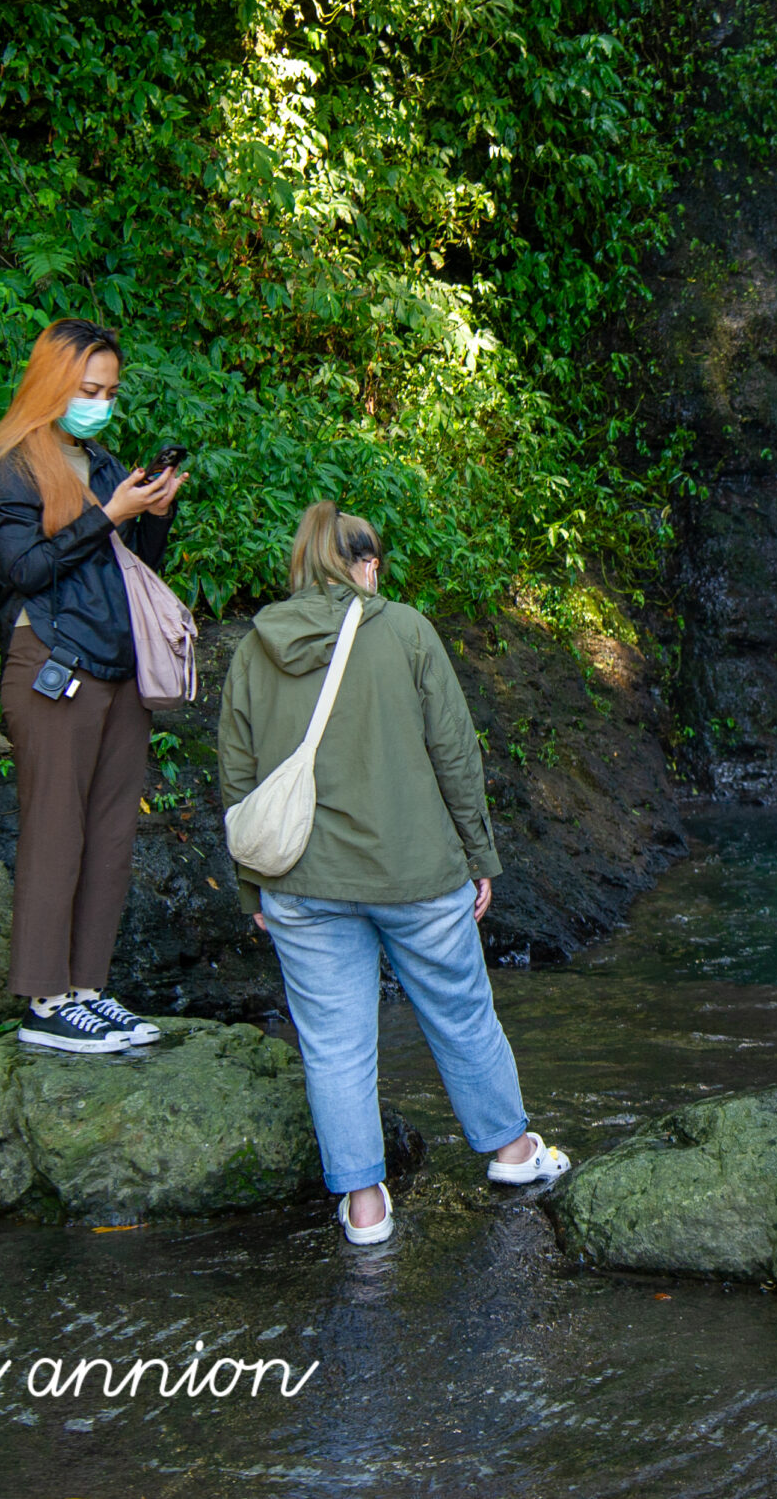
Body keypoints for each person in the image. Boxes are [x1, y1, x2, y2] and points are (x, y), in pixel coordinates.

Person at [219, 501, 569, 1246]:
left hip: (301, 884)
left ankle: (366, 1207)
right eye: (375, 561)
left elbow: (238, 778)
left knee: (335, 1044)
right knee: (462, 1014)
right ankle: (512, 1152)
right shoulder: (406, 629)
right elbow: (454, 752)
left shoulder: (255, 647)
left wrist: (254, 886)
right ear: (363, 563)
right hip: (415, 873)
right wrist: (480, 855)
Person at [0, 318, 187, 1054]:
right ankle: (43, 999)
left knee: (109, 834)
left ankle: (88, 990)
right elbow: (22, 570)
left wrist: (152, 512)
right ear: (52, 383)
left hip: (118, 665)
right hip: (51, 663)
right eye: (89, 389)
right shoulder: (5, 465)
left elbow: (134, 564)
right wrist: (106, 515)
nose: (100, 402)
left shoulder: (99, 460)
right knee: (56, 830)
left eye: (110, 391)